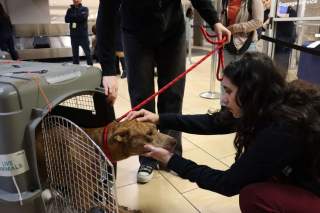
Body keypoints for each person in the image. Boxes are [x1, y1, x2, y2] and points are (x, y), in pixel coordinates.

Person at [126, 52, 320, 212]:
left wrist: (169, 159)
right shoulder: (268, 102)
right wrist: (160, 118)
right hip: (302, 175)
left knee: (255, 197)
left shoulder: (282, 128)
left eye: (228, 91)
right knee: (255, 175)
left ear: (249, 91)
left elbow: (227, 183)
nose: (224, 99)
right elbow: (215, 122)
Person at [96, 0, 231, 183]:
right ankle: (147, 158)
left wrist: (215, 21)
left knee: (173, 95)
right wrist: (109, 70)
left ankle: (171, 156)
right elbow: (105, 18)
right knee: (142, 99)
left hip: (173, 31)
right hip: (136, 33)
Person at [219, 0, 264, 110]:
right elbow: (222, 20)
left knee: (248, 81)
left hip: (247, 45)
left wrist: (234, 28)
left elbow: (258, 21)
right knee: (225, 80)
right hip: (227, 45)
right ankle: (226, 111)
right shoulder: (225, 1)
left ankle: (247, 112)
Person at [263, 0, 297, 72]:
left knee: (282, 67)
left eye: (267, 0)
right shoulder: (266, 13)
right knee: (271, 64)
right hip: (271, 44)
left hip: (284, 43)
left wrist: (279, 14)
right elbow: (263, 27)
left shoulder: (282, 7)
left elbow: (294, 15)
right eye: (263, 2)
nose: (265, 3)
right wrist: (270, 18)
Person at [65, 0, 93, 66]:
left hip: (83, 35)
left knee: (88, 53)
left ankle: (91, 67)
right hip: (73, 35)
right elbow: (66, 19)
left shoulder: (85, 9)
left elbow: (84, 16)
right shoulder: (69, 10)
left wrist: (72, 16)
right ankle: (76, 68)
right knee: (75, 54)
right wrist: (79, 16)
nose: (76, 0)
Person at [115, 11, 126, 79]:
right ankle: (117, 69)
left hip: (119, 32)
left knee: (120, 52)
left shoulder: (119, 10)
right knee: (115, 52)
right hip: (113, 32)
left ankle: (125, 70)